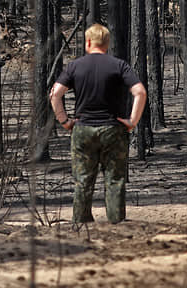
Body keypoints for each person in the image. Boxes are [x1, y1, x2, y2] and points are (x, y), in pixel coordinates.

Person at [48, 23, 147, 223]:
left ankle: (81, 222)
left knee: (83, 179)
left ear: (88, 42)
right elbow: (140, 92)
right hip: (113, 130)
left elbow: (55, 93)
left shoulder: (75, 66)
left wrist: (64, 121)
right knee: (115, 180)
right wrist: (132, 121)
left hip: (83, 129)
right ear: (107, 43)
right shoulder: (119, 65)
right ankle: (116, 222)